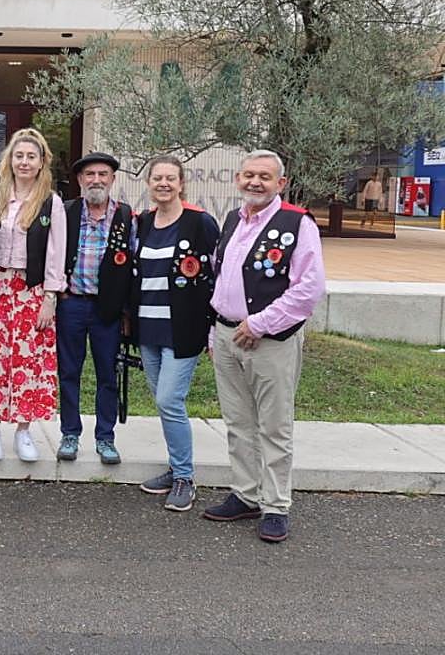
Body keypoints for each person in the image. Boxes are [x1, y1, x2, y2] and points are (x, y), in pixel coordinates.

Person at [204, 150, 325, 543]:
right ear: (239, 179)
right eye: (249, 175)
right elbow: (221, 278)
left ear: (281, 183)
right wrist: (215, 331)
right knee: (238, 423)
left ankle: (275, 505)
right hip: (225, 336)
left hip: (269, 340)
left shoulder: (296, 223)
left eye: (265, 177)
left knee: (274, 425)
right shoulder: (232, 220)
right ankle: (246, 493)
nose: (255, 182)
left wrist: (259, 323)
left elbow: (308, 289)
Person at [0, 128, 67, 463]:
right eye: (19, 155)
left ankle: (24, 430)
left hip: (32, 288)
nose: (24, 162)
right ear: (10, 159)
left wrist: (50, 298)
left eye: (31, 157)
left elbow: (56, 253)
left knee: (30, 360)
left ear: (42, 163)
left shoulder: (50, 203)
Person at [131, 155, 219, 513]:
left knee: (170, 400)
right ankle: (175, 467)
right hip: (147, 327)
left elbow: (217, 274)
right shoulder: (142, 223)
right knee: (164, 402)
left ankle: (185, 477)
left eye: (170, 178)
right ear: (149, 184)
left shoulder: (201, 223)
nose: (163, 184)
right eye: (157, 178)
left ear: (181, 183)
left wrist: (214, 325)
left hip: (183, 329)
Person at [56, 151, 134, 465]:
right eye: (90, 175)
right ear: (80, 180)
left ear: (112, 179)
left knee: (107, 375)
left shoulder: (126, 216)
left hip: (108, 310)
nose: (96, 180)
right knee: (69, 372)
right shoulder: (67, 211)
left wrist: (127, 310)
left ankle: (105, 438)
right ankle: (70, 434)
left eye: (103, 174)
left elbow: (133, 267)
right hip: (71, 304)